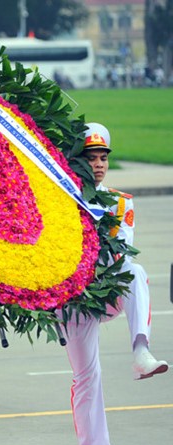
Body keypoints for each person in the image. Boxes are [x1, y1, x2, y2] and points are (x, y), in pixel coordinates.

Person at [84, 122, 167, 379]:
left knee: (135, 269)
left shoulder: (120, 202)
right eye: (91, 158)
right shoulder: (62, 198)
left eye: (104, 158)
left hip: (106, 291)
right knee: (87, 376)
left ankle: (141, 350)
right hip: (73, 297)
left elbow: (122, 253)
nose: (99, 164)